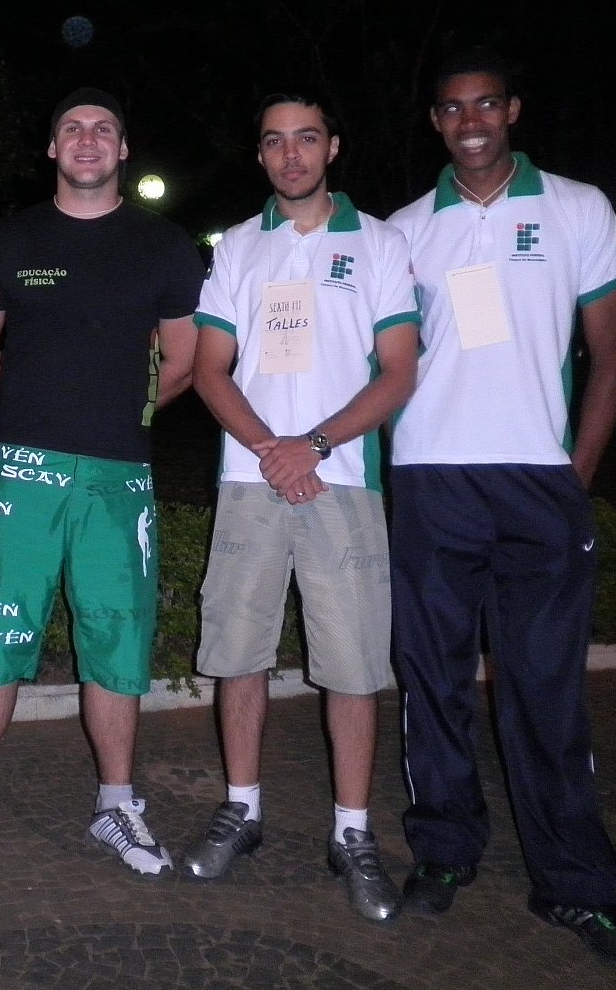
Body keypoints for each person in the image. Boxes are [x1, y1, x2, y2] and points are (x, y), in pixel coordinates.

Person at [387, 48, 616, 966]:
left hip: (539, 481)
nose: (470, 121)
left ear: (512, 112)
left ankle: (576, 885)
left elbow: (610, 351)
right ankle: (443, 849)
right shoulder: (405, 229)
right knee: (433, 679)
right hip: (431, 477)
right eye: (453, 108)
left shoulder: (578, 208)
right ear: (436, 122)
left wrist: (576, 473)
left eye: (486, 104)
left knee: (546, 688)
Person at [0, 88, 204, 876]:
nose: (87, 139)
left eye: (103, 129)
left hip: (117, 476)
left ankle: (115, 804)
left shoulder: (164, 246)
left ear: (122, 149)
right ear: (52, 147)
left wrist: (117, 413)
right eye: (71, 128)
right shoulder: (12, 238)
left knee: (116, 639)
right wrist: (32, 397)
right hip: (18, 470)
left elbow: (184, 360)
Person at [183, 94, 419, 924]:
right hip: (251, 479)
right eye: (275, 141)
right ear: (260, 155)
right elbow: (210, 368)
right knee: (239, 653)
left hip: (342, 479)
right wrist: (271, 450)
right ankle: (241, 809)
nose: (291, 155)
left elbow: (398, 370)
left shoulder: (380, 242)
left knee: (352, 665)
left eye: (306, 139)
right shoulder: (237, 246)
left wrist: (311, 446)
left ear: (333, 148)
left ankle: (352, 832)